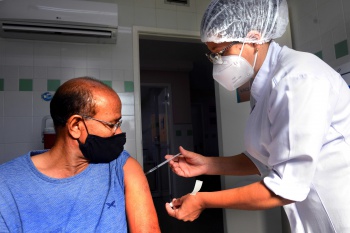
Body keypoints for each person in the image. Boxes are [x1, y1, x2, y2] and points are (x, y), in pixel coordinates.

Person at [164, 0, 350, 232]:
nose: (218, 62)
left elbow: (286, 187)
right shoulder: (265, 85)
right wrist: (207, 165)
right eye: (213, 55)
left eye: (221, 52)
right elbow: (264, 158)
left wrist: (202, 200)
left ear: (254, 38)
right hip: (312, 213)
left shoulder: (297, 79)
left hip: (339, 212)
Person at [0, 77, 160, 233]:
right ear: (76, 126)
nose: (119, 132)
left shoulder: (122, 166)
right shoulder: (6, 185)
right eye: (112, 124)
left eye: (119, 124)